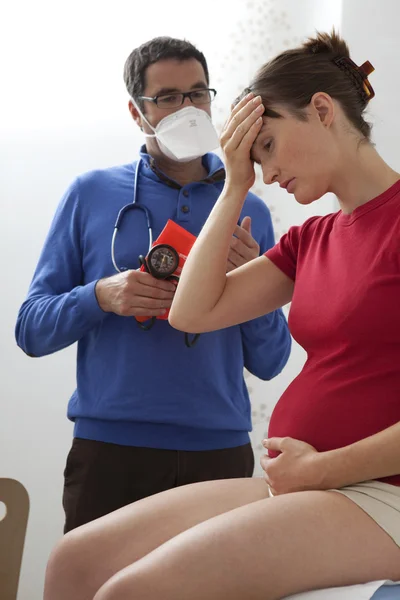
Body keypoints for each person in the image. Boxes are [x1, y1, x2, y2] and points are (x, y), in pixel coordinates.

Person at [42, 30, 400, 600]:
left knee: (128, 593)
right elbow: (191, 313)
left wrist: (324, 470)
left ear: (323, 111)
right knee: (75, 561)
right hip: (306, 482)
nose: (267, 174)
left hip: (379, 491)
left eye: (269, 148)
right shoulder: (313, 238)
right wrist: (232, 184)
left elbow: (262, 353)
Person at [15, 36, 291, 533]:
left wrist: (255, 286)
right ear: (135, 111)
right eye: (167, 97)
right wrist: (100, 296)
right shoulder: (90, 194)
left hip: (217, 453)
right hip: (112, 451)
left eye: (198, 94)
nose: (187, 108)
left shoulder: (246, 211)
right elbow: (31, 329)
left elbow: (271, 362)